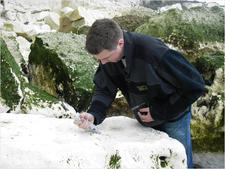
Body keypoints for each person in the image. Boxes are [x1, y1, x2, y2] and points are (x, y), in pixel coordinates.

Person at [75, 18, 205, 168]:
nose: (103, 63)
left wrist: (158, 112)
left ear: (120, 43)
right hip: (146, 119)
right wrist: (93, 114)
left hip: (174, 117)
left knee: (178, 161)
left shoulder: (153, 51)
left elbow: (195, 86)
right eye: (99, 59)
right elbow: (104, 88)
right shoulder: (109, 57)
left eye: (106, 58)